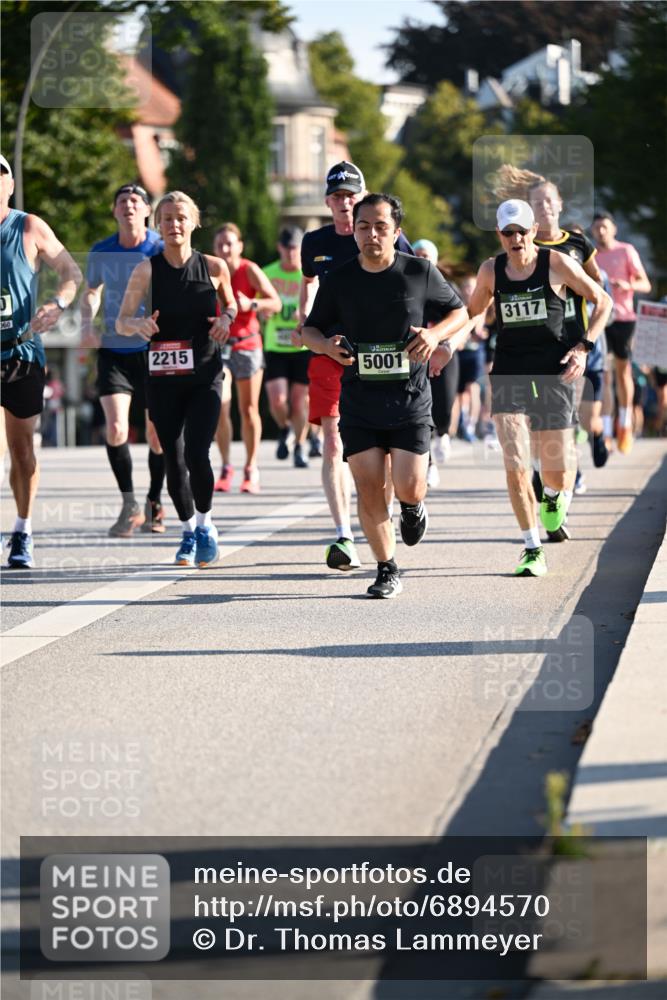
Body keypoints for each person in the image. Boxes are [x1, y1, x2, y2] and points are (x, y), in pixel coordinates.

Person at [302, 193, 467, 598]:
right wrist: (325, 347)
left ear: (396, 231)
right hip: (359, 399)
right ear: (354, 231)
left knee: (409, 485)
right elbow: (309, 330)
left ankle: (412, 507)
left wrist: (433, 335)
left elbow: (459, 312)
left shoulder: (419, 271)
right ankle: (386, 567)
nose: (372, 234)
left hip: (410, 398)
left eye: (380, 226)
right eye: (363, 226)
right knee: (370, 486)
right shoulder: (339, 279)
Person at [465, 199, 612, 577]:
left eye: (521, 231)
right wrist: (444, 342)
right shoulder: (491, 271)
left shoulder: (557, 263)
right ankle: (531, 547)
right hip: (510, 373)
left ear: (533, 232)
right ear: (499, 235)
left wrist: (584, 346)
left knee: (557, 471)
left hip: (555, 372)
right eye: (507, 232)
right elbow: (472, 313)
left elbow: (603, 301)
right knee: (515, 465)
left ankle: (552, 496)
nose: (515, 238)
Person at [297, 162, 415, 572]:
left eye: (351, 195)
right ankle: (344, 534)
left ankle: (399, 508)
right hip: (333, 354)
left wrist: (431, 340)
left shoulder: (386, 234)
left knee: (384, 459)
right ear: (327, 201)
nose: (344, 203)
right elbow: (309, 283)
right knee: (334, 442)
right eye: (337, 196)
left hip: (384, 358)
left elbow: (415, 286)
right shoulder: (314, 242)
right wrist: (307, 327)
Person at [116, 191, 237, 568]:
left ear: (194, 222)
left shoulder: (214, 267)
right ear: (158, 225)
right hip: (163, 378)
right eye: (166, 218)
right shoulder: (146, 270)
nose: (173, 225)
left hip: (204, 375)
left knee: (198, 452)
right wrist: (138, 324)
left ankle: (206, 526)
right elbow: (120, 321)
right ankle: (187, 531)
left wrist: (225, 320)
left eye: (181, 217)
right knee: (174, 458)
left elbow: (231, 304)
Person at [1, 154, 82, 568]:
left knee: (22, 453)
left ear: (10, 184)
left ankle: (22, 528)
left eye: (0, 175)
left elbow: (71, 272)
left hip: (20, 352)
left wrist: (57, 304)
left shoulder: (28, 226)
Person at [81, 182, 167, 536]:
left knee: (156, 434)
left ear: (147, 210)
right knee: (116, 427)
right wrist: (87, 321)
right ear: (114, 211)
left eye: (136, 201)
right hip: (114, 350)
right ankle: (129, 503)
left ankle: (154, 503)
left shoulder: (160, 249)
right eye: (122, 201)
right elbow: (91, 291)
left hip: (153, 350)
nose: (129, 206)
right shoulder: (101, 251)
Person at [212, 223, 281, 494]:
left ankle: (251, 467)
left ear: (240, 246)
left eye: (230, 244)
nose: (225, 249)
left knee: (249, 409)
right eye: (220, 245)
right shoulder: (212, 271)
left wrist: (251, 304)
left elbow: (274, 302)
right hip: (220, 346)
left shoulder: (249, 270)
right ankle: (227, 466)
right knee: (220, 404)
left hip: (248, 344)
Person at [591, 212, 651, 453]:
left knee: (622, 372)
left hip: (624, 318)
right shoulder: (591, 255)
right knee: (604, 375)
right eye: (596, 228)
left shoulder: (626, 251)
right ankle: (606, 431)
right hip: (601, 319)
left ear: (614, 229)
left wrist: (628, 285)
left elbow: (645, 284)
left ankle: (625, 424)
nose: (601, 232)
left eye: (604, 227)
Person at [262, 226, 310, 468]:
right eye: (287, 248)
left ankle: (300, 446)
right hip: (275, 345)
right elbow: (257, 303)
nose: (291, 253)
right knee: (278, 400)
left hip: (302, 347)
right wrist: (262, 312)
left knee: (299, 400)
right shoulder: (267, 273)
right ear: (280, 248)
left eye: (296, 248)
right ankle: (285, 428)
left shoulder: (308, 274)